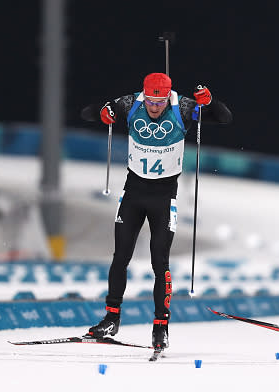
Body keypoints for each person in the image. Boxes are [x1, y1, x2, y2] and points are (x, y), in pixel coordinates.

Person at [80, 73, 232, 351]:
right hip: (133, 194)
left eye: (159, 101)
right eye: (150, 100)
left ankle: (161, 327)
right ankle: (111, 318)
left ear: (167, 97)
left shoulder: (182, 107)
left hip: (164, 199)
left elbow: (223, 118)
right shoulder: (131, 103)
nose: (153, 106)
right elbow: (88, 113)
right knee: (120, 257)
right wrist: (103, 112)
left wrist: (211, 101)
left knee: (159, 263)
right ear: (144, 95)